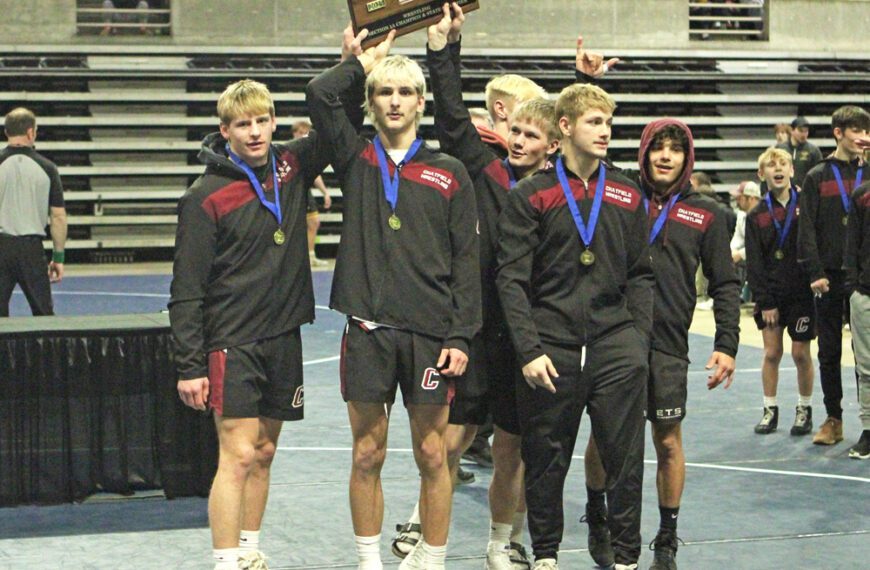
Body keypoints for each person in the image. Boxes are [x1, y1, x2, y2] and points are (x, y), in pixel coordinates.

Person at [390, 6, 573, 569]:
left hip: (528, 334)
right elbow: (449, 114)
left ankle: (501, 543)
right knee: (450, 440)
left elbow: (588, 131)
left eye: (528, 133)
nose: (516, 140)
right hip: (474, 328)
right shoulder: (485, 168)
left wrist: (587, 83)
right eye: (513, 130)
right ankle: (424, 529)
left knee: (512, 449)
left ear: (549, 143)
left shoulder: (560, 189)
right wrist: (444, 50)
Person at [306, 26, 481, 570]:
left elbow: (465, 262)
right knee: (367, 452)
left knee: (434, 454)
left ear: (421, 102)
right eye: (385, 92)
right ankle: (368, 561)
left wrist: (460, 334)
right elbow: (319, 93)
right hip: (368, 331)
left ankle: (432, 557)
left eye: (405, 92)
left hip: (429, 334)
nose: (395, 101)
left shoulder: (449, 173)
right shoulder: (355, 158)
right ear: (372, 102)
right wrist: (361, 62)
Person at [169, 79, 328, 570]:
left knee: (264, 451)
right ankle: (224, 561)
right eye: (243, 125)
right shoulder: (204, 197)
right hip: (231, 343)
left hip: (283, 337)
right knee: (236, 456)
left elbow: (333, 115)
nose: (255, 133)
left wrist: (355, 63)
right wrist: (189, 364)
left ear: (274, 122)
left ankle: (249, 551)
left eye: (262, 122)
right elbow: (187, 289)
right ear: (225, 131)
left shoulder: (291, 165)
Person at [496, 81, 653, 570]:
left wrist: (636, 343)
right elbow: (511, 279)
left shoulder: (627, 192)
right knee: (545, 461)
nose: (605, 131)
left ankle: (627, 559)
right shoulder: (531, 195)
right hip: (550, 351)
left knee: (624, 462)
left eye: (608, 122)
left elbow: (642, 274)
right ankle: (545, 555)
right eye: (594, 122)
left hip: (614, 347)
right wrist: (528, 348)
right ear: (564, 128)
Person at [579, 119, 739, 570]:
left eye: (675, 150)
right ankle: (597, 514)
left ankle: (666, 539)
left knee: (668, 441)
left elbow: (726, 283)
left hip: (668, 343)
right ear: (645, 152)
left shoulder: (707, 213)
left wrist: (726, 342)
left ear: (687, 158)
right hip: (615, 337)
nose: (665, 156)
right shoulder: (621, 196)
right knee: (604, 436)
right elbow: (587, 155)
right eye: (658, 148)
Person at [798, 105, 870, 445]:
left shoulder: (869, 174)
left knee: (865, 353)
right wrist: (815, 271)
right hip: (828, 276)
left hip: (863, 279)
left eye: (867, 132)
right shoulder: (817, 175)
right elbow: (806, 228)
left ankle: (867, 423)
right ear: (838, 133)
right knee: (828, 350)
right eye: (857, 130)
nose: (864, 137)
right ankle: (833, 418)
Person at [746, 148, 815, 436]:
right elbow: (755, 263)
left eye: (783, 164)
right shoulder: (756, 214)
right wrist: (765, 302)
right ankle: (770, 409)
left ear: (791, 171)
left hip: (802, 295)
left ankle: (804, 408)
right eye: (771, 165)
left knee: (801, 353)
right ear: (762, 175)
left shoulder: (807, 206)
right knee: (772, 352)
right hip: (772, 295)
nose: (778, 169)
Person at [0, 107, 66, 317]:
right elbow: (58, 217)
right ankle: (47, 351)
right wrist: (58, 256)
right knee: (44, 316)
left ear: (6, 132)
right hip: (31, 249)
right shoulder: (47, 168)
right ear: (31, 132)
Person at [844, 178, 870, 459]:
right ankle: (869, 429)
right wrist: (853, 288)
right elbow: (851, 244)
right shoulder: (863, 196)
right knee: (867, 369)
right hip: (865, 293)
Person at [291, 120, 333, 267]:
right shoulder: (288, 152)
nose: (303, 136)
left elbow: (315, 174)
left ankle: (310, 256)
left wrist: (325, 192)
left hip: (304, 189)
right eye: (300, 133)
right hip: (293, 190)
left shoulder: (307, 151)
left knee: (313, 222)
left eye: (305, 134)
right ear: (294, 134)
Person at [730, 181, 762, 302]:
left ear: (751, 199)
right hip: (750, 253)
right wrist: (731, 251)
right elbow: (738, 237)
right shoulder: (742, 215)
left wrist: (740, 254)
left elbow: (761, 245)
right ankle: (733, 296)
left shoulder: (763, 214)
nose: (737, 201)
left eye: (740, 198)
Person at [776, 116, 823, 188]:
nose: (804, 134)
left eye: (806, 131)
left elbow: (819, 176)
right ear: (792, 130)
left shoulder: (813, 151)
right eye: (801, 131)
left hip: (805, 194)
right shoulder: (780, 149)